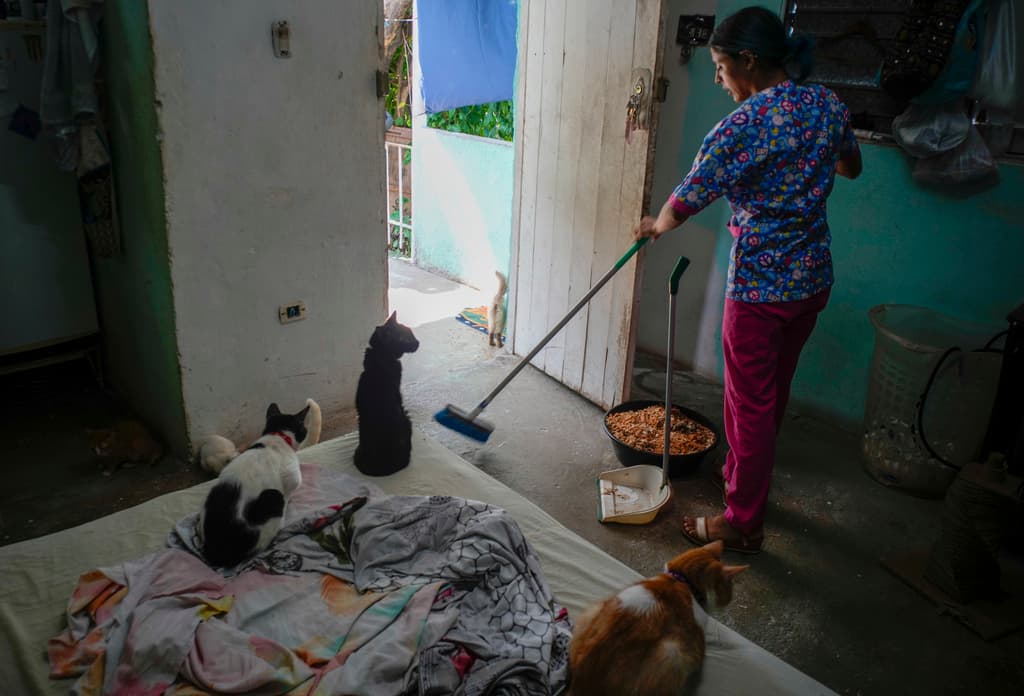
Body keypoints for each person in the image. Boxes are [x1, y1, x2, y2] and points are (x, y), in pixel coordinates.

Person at [633, 6, 862, 553]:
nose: (718, 79)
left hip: (761, 287)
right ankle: (742, 476)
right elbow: (850, 166)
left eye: (720, 67)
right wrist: (806, 163)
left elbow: (685, 200)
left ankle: (742, 522)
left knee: (749, 404)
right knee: (770, 394)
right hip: (812, 279)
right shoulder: (826, 104)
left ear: (749, 61)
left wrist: (653, 226)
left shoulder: (743, 125)